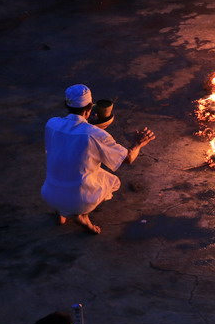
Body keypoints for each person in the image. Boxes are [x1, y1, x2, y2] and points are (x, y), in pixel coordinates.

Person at [41, 84, 155, 234]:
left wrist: (94, 128)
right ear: (89, 108)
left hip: (49, 194)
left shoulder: (52, 124)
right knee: (112, 182)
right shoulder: (95, 135)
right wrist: (138, 143)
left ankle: (61, 213)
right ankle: (82, 216)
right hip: (78, 201)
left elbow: (74, 138)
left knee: (65, 167)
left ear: (66, 105)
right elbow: (127, 158)